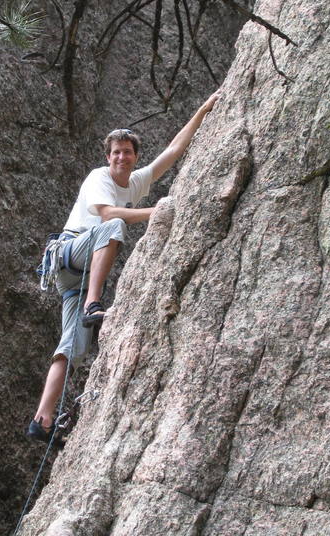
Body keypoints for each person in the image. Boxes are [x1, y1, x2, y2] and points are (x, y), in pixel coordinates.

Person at [27, 91, 220, 443]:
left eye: (126, 152)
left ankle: (41, 419)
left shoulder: (135, 182)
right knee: (114, 226)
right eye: (115, 152)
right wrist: (156, 212)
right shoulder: (98, 177)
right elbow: (107, 215)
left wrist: (204, 110)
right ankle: (93, 304)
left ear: (134, 158)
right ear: (108, 156)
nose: (120, 157)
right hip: (71, 252)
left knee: (73, 347)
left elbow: (174, 151)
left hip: (76, 277)